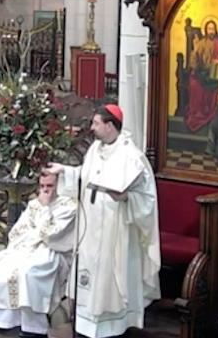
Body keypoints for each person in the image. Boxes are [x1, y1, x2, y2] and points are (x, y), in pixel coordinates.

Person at [44, 104, 161, 338]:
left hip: (115, 228)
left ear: (110, 125)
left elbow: (147, 198)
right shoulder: (96, 149)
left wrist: (127, 196)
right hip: (91, 227)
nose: (92, 128)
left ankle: (113, 326)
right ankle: (85, 324)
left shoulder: (131, 155)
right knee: (88, 273)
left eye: (96, 123)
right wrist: (65, 170)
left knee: (110, 275)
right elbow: (86, 176)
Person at [0, 172, 77, 338]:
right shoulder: (34, 204)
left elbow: (53, 236)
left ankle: (31, 324)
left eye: (50, 186)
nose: (45, 191)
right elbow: (17, 232)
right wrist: (34, 233)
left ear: (60, 186)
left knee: (26, 274)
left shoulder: (68, 207)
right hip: (24, 248)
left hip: (51, 253)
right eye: (42, 186)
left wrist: (45, 211)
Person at [185, 20, 218, 132]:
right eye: (209, 29)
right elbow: (194, 63)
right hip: (203, 73)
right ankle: (197, 113)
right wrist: (195, 49)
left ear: (216, 30)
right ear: (205, 30)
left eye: (213, 29)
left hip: (215, 73)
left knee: (213, 85)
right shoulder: (201, 43)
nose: (211, 31)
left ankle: (209, 114)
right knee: (194, 84)